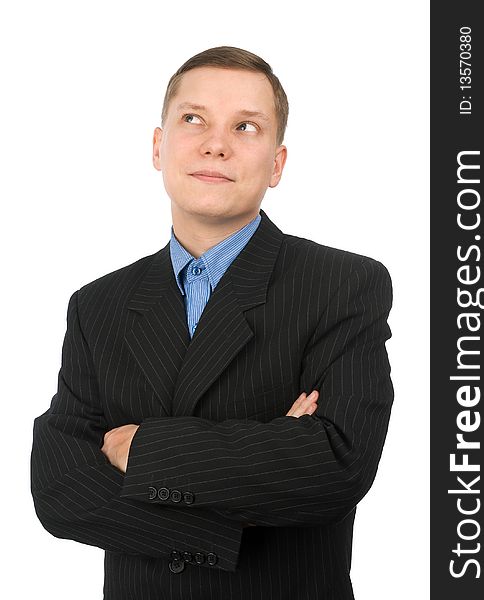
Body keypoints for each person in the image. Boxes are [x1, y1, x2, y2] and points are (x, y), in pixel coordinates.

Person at [30, 46, 394, 600]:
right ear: (159, 146)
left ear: (277, 163)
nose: (215, 144)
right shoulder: (97, 304)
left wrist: (143, 451)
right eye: (193, 119)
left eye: (246, 126)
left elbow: (334, 466)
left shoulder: (342, 284)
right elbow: (59, 490)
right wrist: (242, 502)